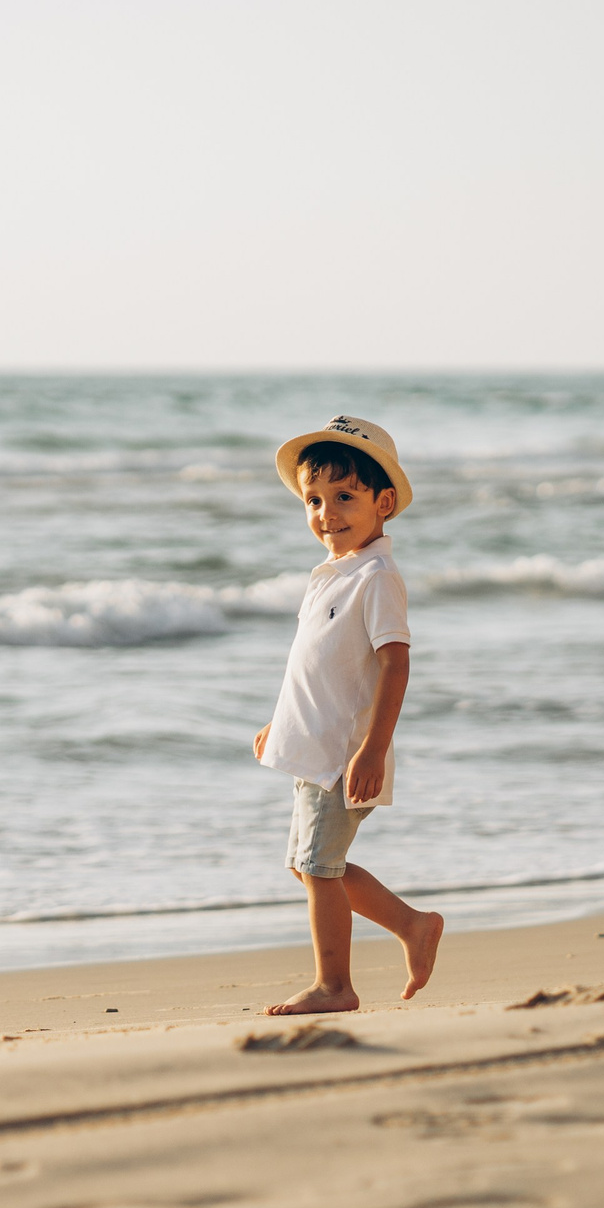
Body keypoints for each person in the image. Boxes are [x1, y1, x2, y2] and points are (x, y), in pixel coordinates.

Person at [251, 416, 444, 1014]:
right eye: (313, 500)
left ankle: (336, 985)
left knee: (320, 869)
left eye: (344, 497)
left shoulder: (378, 578)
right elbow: (313, 666)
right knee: (308, 867)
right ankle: (412, 925)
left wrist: (372, 749)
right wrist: (278, 724)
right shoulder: (332, 574)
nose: (326, 513)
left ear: (383, 503)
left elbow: (394, 665)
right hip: (314, 746)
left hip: (344, 754)